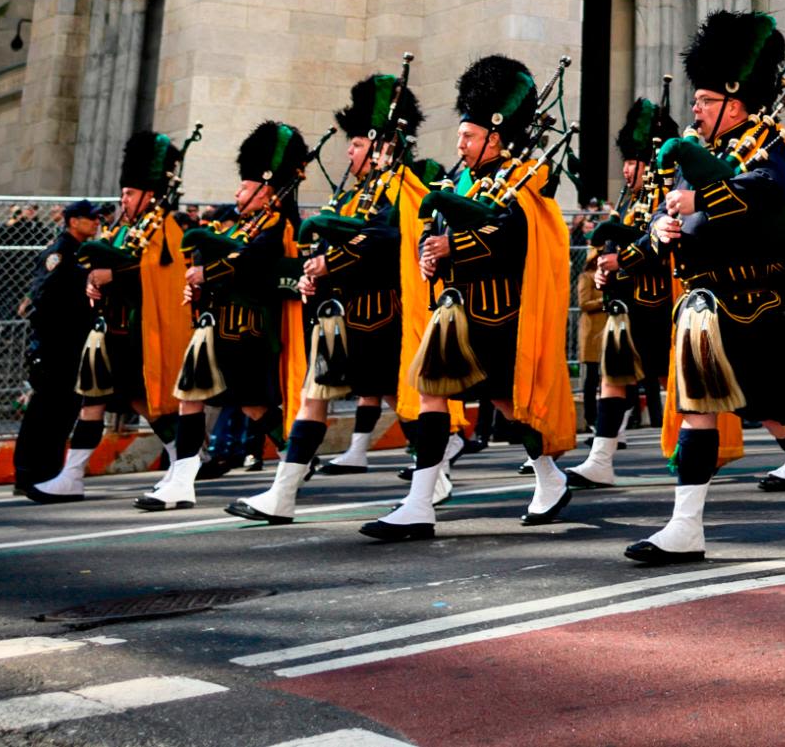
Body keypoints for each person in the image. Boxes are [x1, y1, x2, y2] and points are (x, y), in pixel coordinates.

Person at [620, 11, 785, 566]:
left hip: (759, 303)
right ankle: (685, 526)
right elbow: (671, 208)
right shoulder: (693, 147)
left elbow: (767, 195)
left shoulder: (767, 140)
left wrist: (703, 196)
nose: (696, 110)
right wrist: (661, 226)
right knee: (698, 410)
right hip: (702, 303)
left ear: (734, 100)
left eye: (705, 100)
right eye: (697, 101)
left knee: (780, 415)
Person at [363, 56, 579, 540]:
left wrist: (452, 245)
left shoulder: (522, 180)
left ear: (496, 136)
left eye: (469, 135)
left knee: (507, 402)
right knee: (433, 392)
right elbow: (439, 229)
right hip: (458, 311)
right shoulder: (465, 180)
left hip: (498, 313)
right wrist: (430, 256)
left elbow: (510, 236)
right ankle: (420, 504)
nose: (460, 143)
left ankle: (550, 476)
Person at [232, 76, 416, 523]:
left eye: (355, 145)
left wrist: (331, 264)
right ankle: (283, 494)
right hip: (342, 316)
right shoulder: (355, 193)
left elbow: (387, 242)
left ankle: (444, 470)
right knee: (315, 398)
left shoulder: (399, 187)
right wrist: (316, 271)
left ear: (377, 145)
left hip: (380, 315)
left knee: (401, 398)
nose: (349, 154)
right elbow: (337, 247)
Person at [141, 123, 308, 511]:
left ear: (265, 190)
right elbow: (223, 256)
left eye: (245, 187)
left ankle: (295, 458)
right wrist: (198, 285)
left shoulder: (278, 225)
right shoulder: (243, 224)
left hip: (250, 332)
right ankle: (182, 480)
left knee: (254, 406)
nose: (237, 193)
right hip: (217, 328)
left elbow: (253, 262)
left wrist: (207, 273)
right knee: (190, 396)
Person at [29, 133, 188, 502]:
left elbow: (163, 276)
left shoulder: (165, 226)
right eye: (124, 193)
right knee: (94, 399)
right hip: (110, 330)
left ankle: (183, 465)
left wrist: (112, 276)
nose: (124, 200)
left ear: (150, 194)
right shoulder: (126, 228)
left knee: (142, 402)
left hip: (138, 330)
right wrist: (92, 280)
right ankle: (72, 476)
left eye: (131, 194)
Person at [571, 96, 677, 487]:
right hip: (629, 306)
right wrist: (604, 271)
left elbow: (664, 245)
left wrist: (621, 260)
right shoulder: (631, 201)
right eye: (627, 161)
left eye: (635, 161)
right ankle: (601, 459)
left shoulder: (668, 196)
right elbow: (612, 251)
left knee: (685, 384)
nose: (628, 169)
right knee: (613, 379)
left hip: (665, 305)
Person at [12, 201, 103, 500]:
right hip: (56, 345)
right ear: (73, 221)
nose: (96, 222)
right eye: (90, 218)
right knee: (45, 410)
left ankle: (49, 473)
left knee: (63, 411)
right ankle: (29, 474)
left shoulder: (84, 252)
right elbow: (44, 295)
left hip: (73, 343)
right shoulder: (61, 252)